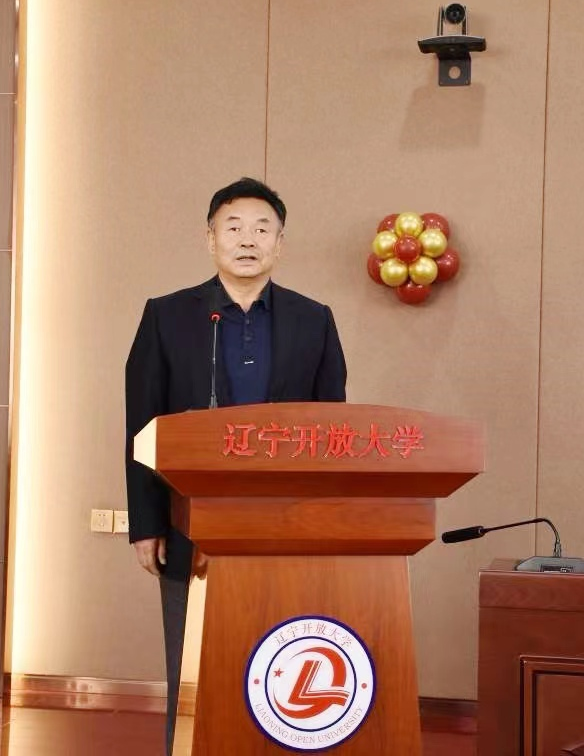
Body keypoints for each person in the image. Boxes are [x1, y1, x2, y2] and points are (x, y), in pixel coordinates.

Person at [124, 177, 347, 754]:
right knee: (192, 663)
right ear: (210, 239)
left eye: (262, 228)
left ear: (280, 243)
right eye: (234, 227)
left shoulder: (314, 319)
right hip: (189, 523)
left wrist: (327, 522)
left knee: (281, 657)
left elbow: (332, 430)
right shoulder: (167, 316)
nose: (248, 239)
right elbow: (141, 427)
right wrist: (145, 523)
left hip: (287, 524)